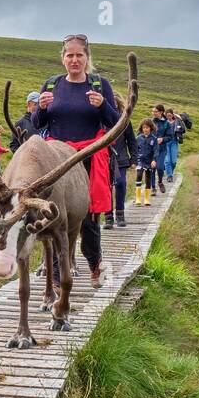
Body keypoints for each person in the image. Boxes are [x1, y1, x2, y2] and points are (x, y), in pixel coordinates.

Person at [32, 34, 120, 288]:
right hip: (56, 162)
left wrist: (103, 105)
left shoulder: (100, 85)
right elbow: (38, 124)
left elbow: (115, 122)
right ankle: (57, 274)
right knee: (53, 215)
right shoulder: (51, 86)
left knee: (89, 218)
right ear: (62, 59)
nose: (74, 59)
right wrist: (42, 109)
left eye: (79, 55)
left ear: (87, 58)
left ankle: (95, 265)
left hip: (89, 158)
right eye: (69, 55)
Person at [104, 91, 136, 228]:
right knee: (106, 188)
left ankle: (120, 214)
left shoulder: (125, 120)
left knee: (121, 184)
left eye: (115, 104)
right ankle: (108, 217)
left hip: (121, 159)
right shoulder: (101, 120)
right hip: (104, 159)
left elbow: (132, 141)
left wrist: (134, 158)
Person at [134, 118, 156, 206]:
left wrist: (154, 160)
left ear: (151, 128)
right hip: (140, 161)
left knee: (148, 179)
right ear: (141, 128)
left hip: (149, 162)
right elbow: (135, 150)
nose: (145, 129)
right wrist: (134, 160)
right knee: (139, 176)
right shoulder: (138, 138)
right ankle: (138, 198)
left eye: (147, 128)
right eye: (144, 128)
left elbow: (156, 151)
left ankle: (147, 199)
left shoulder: (154, 139)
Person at [150, 104, 171, 194]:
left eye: (156, 111)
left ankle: (160, 182)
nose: (154, 113)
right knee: (152, 168)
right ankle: (153, 188)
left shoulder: (166, 123)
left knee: (160, 168)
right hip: (151, 149)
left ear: (161, 112)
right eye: (153, 111)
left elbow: (170, 137)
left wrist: (162, 139)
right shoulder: (151, 122)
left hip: (162, 149)